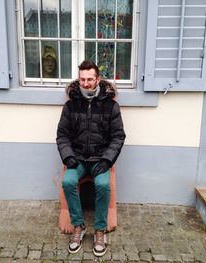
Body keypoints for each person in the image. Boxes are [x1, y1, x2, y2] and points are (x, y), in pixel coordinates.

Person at [56, 60, 126, 256]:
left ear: (98, 79)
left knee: (103, 185)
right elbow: (62, 135)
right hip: (76, 158)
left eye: (89, 79)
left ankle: (100, 229)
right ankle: (78, 226)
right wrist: (68, 156)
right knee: (68, 181)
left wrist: (106, 160)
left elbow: (118, 136)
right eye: (82, 79)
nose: (85, 83)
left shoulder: (111, 106)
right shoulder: (71, 106)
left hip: (100, 159)